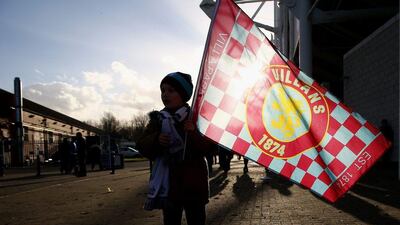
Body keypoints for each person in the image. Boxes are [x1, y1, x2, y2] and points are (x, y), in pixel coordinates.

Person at [137, 72, 211, 225]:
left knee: (196, 220)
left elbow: (211, 148)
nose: (165, 95)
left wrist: (194, 133)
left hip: (194, 184)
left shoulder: (197, 117)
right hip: (169, 186)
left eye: (171, 90)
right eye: (163, 90)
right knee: (170, 220)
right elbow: (142, 146)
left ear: (183, 94)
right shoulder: (158, 119)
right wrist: (156, 140)